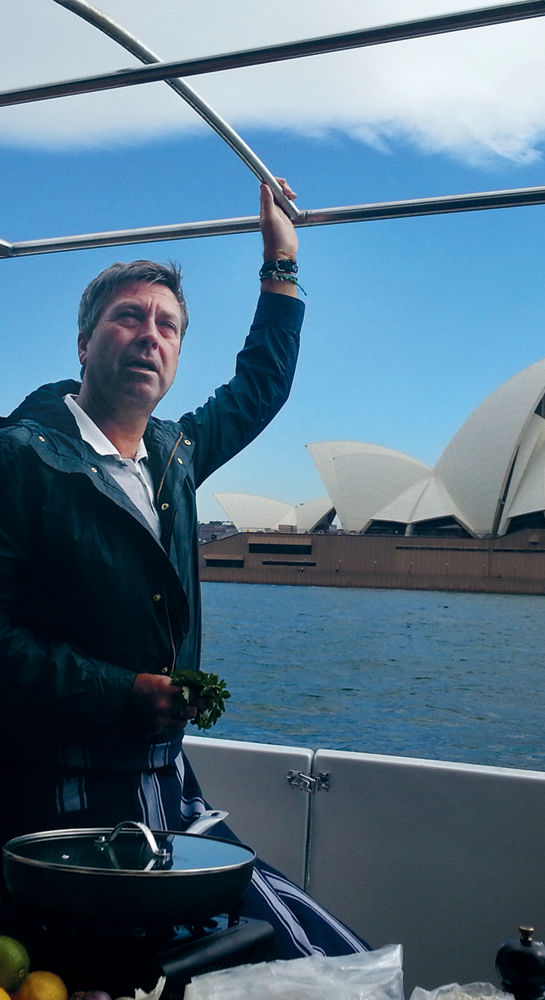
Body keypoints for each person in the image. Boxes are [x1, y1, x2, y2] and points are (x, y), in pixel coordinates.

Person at [0, 178, 368, 959]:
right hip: (57, 780)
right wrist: (118, 691)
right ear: (83, 342)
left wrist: (281, 260)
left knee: (284, 943)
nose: (150, 336)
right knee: (129, 956)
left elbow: (259, 385)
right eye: (128, 317)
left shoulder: (175, 455)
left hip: (159, 775)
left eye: (167, 326)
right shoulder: (17, 458)